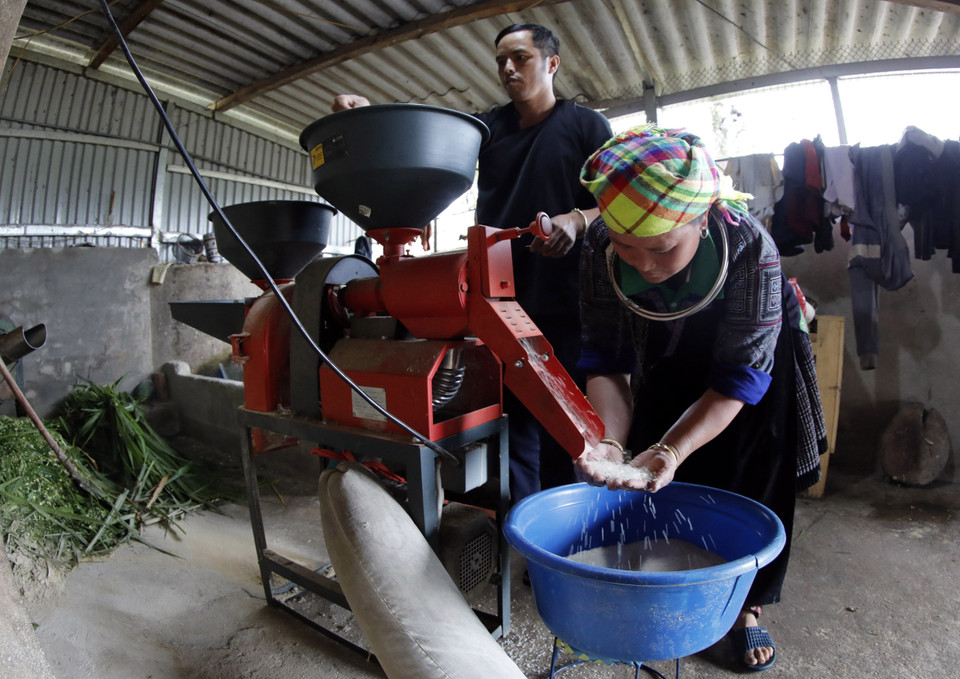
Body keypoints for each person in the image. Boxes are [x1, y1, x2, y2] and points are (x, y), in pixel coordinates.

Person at [574, 125, 827, 671]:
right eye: (626, 246)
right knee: (655, 446)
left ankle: (743, 606)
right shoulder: (598, 251)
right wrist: (612, 441)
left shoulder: (750, 247)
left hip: (751, 362)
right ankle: (669, 580)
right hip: (663, 346)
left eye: (662, 248)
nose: (642, 264)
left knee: (751, 467)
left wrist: (674, 448)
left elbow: (737, 379)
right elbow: (608, 361)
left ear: (704, 218)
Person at [334, 24, 613, 504]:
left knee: (562, 424)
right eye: (501, 60)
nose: (508, 68)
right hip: (495, 301)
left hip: (566, 302)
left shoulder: (586, 126)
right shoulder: (488, 130)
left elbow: (611, 203)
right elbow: (429, 143)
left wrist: (577, 220)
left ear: (552, 63)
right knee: (515, 425)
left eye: (520, 58)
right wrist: (370, 114)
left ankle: (567, 531)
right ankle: (524, 526)